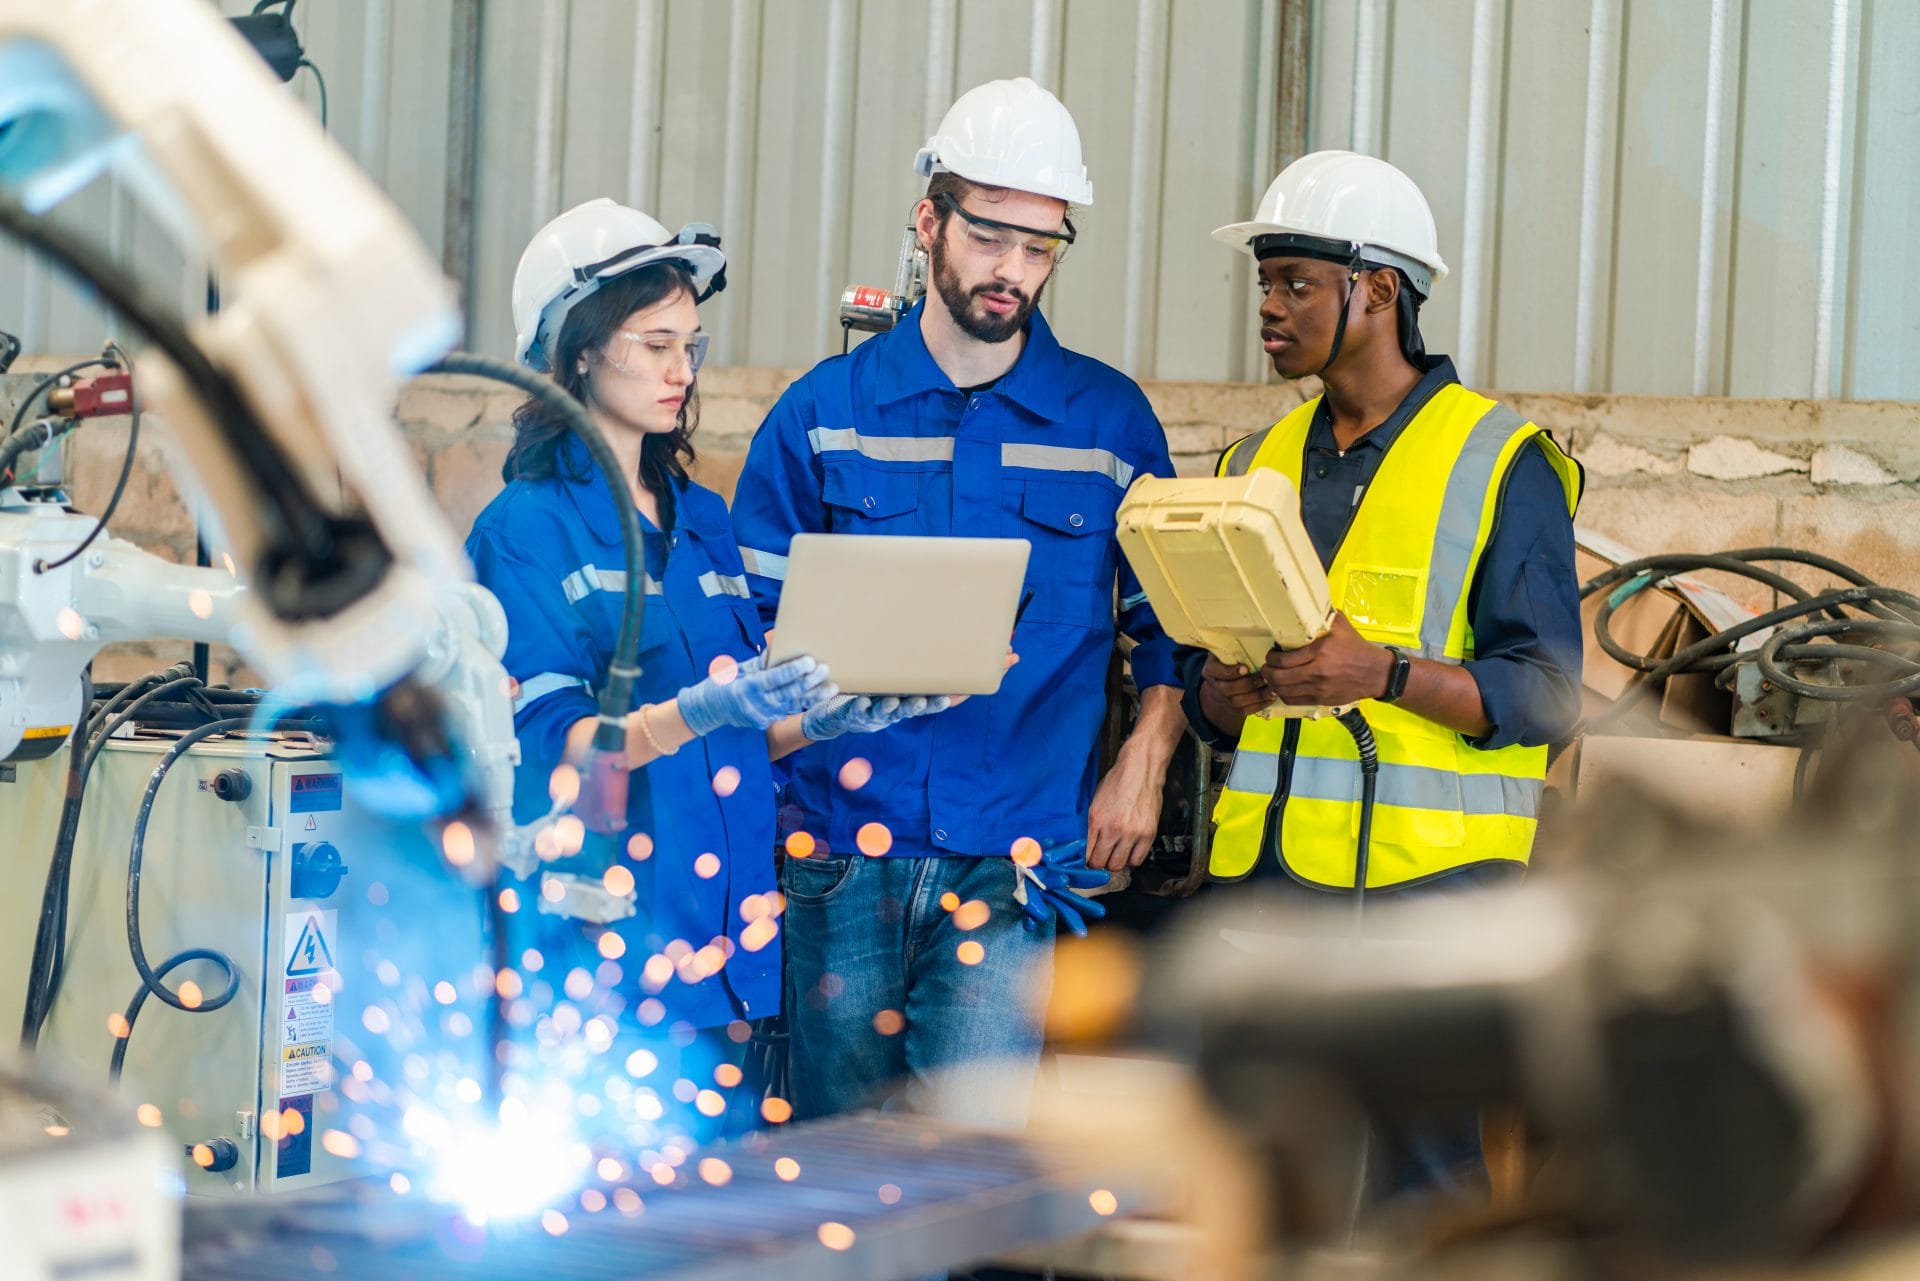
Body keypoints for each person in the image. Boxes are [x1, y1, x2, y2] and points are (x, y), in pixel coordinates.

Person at [730, 77, 1186, 1129]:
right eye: (990, 237)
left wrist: (1145, 759)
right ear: (928, 220)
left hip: (1014, 864)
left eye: (1042, 247)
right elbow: (741, 647)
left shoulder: (1108, 425)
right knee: (842, 1182)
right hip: (837, 857)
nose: (1013, 271)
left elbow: (1174, 632)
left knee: (962, 1181)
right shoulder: (822, 419)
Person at [466, 199, 945, 1143]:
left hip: (726, 960)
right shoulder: (524, 531)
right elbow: (555, 750)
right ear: (578, 352)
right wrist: (700, 705)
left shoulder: (707, 522)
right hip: (604, 963)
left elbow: (741, 725)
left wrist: (831, 719)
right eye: (653, 344)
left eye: (691, 343)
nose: (682, 369)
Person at [1184, 150, 1584, 1194]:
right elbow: (1212, 694)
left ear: (1379, 291)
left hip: (1432, 901)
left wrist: (1386, 674)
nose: (1268, 307)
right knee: (1260, 1185)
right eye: (1264, 282)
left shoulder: (1503, 460)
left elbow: (1548, 695)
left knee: (1423, 1189)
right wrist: (1215, 697)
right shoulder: (1248, 466)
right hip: (1267, 888)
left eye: (1295, 283)